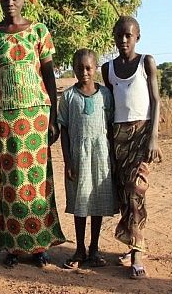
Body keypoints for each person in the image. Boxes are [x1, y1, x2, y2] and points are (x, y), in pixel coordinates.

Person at [0, 0, 65, 268]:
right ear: (0, 2)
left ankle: (40, 246)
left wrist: (53, 115)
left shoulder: (39, 31)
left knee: (38, 180)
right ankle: (13, 247)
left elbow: (50, 76)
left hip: (36, 114)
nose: (10, 3)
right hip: (4, 114)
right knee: (12, 181)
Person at [101, 15, 162, 279]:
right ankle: (132, 242)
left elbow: (157, 100)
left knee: (137, 189)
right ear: (114, 37)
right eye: (119, 35)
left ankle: (138, 251)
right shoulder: (108, 69)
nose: (124, 40)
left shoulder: (146, 62)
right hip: (118, 136)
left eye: (129, 35)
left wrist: (154, 137)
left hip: (142, 133)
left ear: (138, 36)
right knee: (124, 193)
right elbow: (111, 105)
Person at [59, 49, 116, 270]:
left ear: (95, 68)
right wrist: (68, 161)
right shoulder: (69, 96)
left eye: (89, 68)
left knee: (97, 203)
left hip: (101, 155)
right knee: (80, 202)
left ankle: (94, 249)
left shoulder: (105, 95)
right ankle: (80, 249)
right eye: (80, 68)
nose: (84, 72)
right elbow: (63, 129)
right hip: (78, 156)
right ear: (73, 68)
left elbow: (110, 127)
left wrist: (113, 157)